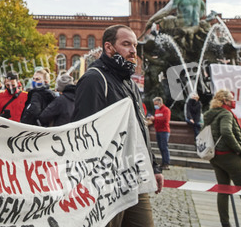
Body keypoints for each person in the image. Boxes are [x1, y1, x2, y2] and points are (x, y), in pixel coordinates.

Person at [73, 25, 163, 226]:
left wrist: (154, 167)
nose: (133, 51)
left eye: (135, 45)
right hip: (107, 180)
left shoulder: (129, 83)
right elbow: (83, 133)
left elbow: (139, 130)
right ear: (109, 47)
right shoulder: (94, 79)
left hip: (133, 174)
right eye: (126, 44)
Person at [203, 89, 241, 227]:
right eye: (231, 98)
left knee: (223, 190)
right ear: (225, 100)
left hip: (215, 156)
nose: (234, 100)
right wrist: (239, 149)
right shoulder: (226, 113)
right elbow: (226, 132)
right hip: (229, 156)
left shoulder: (210, 114)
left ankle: (225, 223)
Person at [152, 97, 172, 169]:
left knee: (164, 147)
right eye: (154, 104)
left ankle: (166, 163)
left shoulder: (166, 110)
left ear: (160, 103)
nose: (155, 106)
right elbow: (156, 119)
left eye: (156, 104)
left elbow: (165, 119)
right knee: (161, 147)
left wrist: (155, 118)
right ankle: (163, 163)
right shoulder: (157, 110)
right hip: (158, 130)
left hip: (164, 131)